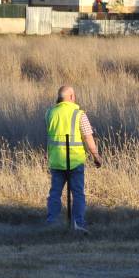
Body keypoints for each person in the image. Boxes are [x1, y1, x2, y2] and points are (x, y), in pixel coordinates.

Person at [46, 85, 102, 233]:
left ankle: (52, 224)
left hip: (56, 161)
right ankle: (79, 224)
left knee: (55, 193)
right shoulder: (79, 114)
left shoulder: (50, 113)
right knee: (78, 194)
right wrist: (96, 155)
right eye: (74, 95)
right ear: (70, 97)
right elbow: (88, 137)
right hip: (75, 160)